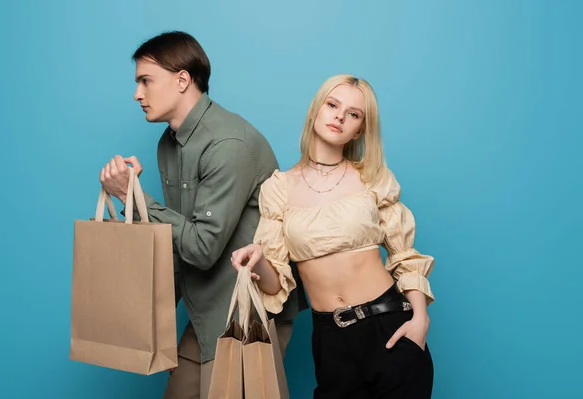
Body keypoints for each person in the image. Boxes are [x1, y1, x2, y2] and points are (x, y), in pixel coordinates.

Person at [99, 31, 307, 399]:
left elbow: (202, 247)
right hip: (204, 310)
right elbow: (175, 239)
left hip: (245, 316)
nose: (137, 94)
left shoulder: (228, 144)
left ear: (182, 80)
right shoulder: (169, 142)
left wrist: (136, 198)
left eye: (145, 81)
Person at [231, 74, 435, 398]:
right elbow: (274, 285)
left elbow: (405, 256)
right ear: (316, 110)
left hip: (392, 328)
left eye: (353, 114)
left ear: (361, 128)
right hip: (331, 341)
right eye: (332, 104)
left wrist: (420, 319)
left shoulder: (371, 177)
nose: (340, 116)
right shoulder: (278, 188)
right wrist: (258, 259)